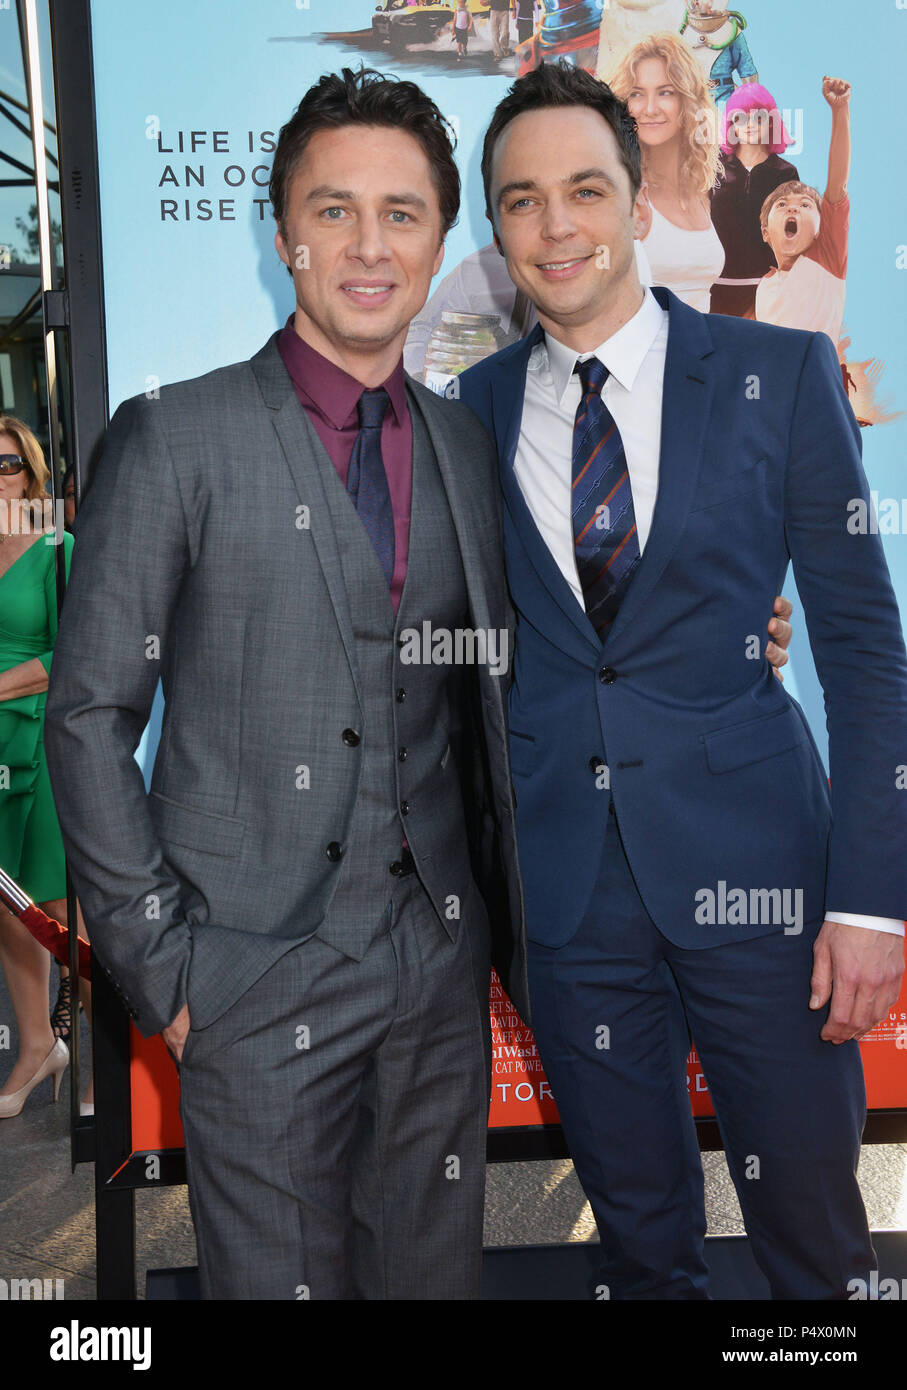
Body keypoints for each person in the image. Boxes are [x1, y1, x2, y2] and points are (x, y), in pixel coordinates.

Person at [43, 67, 526, 1301]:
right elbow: (92, 717)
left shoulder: (469, 446)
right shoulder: (174, 437)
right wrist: (170, 969)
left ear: (439, 238)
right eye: (334, 210)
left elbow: (501, 680)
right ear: (282, 236)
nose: (369, 245)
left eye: (402, 213)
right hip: (248, 973)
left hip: (435, 971)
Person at [459, 61, 906, 1300]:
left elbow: (866, 649)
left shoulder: (778, 375)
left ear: (636, 200)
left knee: (816, 1242)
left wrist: (873, 901)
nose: (557, 227)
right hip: (568, 905)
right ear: (493, 227)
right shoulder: (469, 413)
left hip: (763, 877)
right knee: (642, 1240)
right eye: (521, 200)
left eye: (586, 189)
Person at [0, 416, 90, 1118]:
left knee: (59, 910)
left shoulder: (60, 548)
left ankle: (122, 1062)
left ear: (29, 471)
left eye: (5, 464)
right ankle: (38, 1047)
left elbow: (83, 655)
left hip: (39, 742)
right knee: (6, 907)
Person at [611, 33, 724, 312]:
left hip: (701, 351)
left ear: (687, 102)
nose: (649, 109)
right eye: (637, 94)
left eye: (665, 92)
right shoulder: (624, 194)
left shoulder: (701, 193)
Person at [755, 77, 851, 355]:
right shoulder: (765, 285)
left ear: (823, 229)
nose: (793, 208)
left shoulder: (827, 257)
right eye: (782, 204)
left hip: (814, 391)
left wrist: (840, 110)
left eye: (805, 205)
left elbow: (837, 184)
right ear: (765, 231)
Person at [709, 82, 799, 318]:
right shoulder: (712, 167)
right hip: (713, 288)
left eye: (757, 118)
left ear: (770, 122)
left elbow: (792, 235)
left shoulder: (785, 173)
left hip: (767, 290)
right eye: (740, 118)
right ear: (730, 123)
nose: (749, 126)